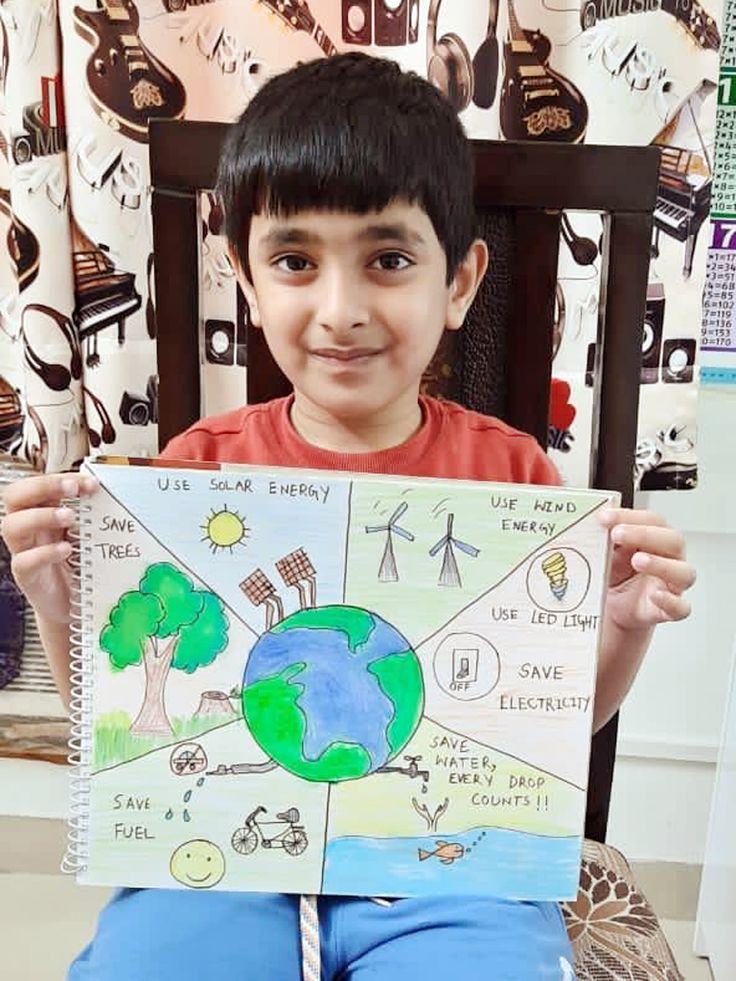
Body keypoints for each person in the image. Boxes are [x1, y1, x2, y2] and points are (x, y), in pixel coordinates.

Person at [1, 53, 695, 981]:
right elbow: (131, 717)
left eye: (389, 259)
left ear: (458, 281)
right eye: (293, 261)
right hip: (222, 858)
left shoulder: (516, 478)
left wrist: (617, 629)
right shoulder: (194, 473)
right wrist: (59, 598)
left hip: (446, 868)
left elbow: (549, 730)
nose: (340, 310)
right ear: (244, 281)